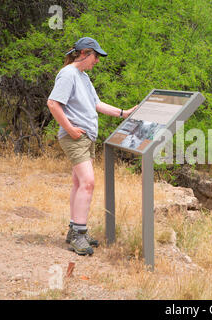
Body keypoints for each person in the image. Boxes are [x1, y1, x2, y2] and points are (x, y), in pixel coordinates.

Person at [47, 37, 137, 256]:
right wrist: (70, 129)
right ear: (85, 53)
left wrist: (124, 113)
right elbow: (53, 103)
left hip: (86, 136)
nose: (97, 61)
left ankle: (75, 229)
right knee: (88, 182)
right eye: (96, 56)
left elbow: (96, 104)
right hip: (75, 137)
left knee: (79, 183)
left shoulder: (83, 77)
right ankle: (78, 234)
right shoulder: (68, 74)